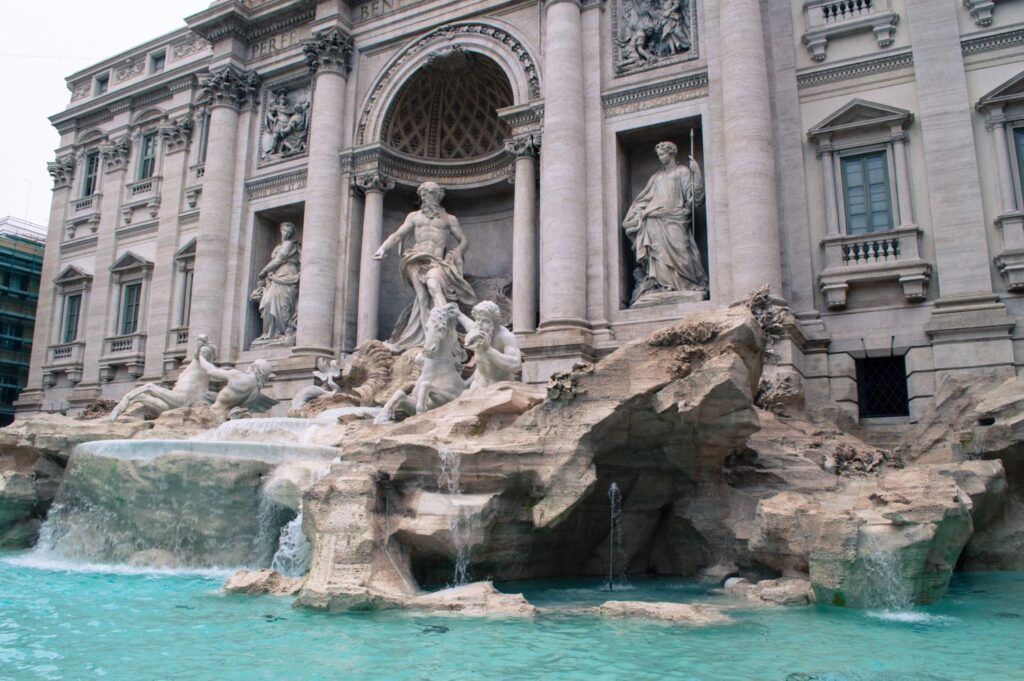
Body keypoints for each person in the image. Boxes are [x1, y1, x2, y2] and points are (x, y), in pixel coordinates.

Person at [373, 182, 477, 352]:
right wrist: (383, 248)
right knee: (422, 298)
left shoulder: (449, 219)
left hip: (436, 261)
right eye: (424, 195)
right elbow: (398, 234)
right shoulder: (414, 217)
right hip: (415, 259)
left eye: (430, 194)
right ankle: (427, 337)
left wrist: (454, 255)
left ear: (438, 196)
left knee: (434, 285)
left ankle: (445, 328)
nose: (427, 198)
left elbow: (464, 241)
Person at [622, 141, 706, 304]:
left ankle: (688, 284)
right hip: (654, 218)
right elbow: (645, 198)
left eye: (662, 154)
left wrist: (698, 176)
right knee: (658, 254)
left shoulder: (682, 172)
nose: (660, 158)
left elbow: (693, 199)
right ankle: (662, 285)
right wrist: (636, 214)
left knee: (681, 249)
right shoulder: (657, 177)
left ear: (672, 153)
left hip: (676, 217)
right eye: (658, 155)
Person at [251, 221, 300, 341]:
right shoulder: (279, 247)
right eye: (284, 230)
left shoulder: (289, 244)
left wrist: (263, 272)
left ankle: (279, 332)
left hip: (288, 276)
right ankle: (268, 333)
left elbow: (279, 260)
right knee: (268, 302)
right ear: (280, 231)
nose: (286, 233)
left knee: (284, 306)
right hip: (275, 278)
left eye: (289, 231)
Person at [457, 301, 521, 390]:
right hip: (477, 385)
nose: (479, 324)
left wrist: (488, 350)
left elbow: (515, 366)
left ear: (495, 323)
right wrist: (458, 313)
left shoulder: (506, 337)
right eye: (477, 319)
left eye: (485, 321)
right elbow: (468, 323)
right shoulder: (479, 328)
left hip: (500, 387)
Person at [196, 355, 275, 420]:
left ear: (253, 367)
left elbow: (211, 371)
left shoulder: (238, 376)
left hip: (212, 416)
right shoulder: (256, 394)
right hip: (226, 422)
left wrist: (200, 356)